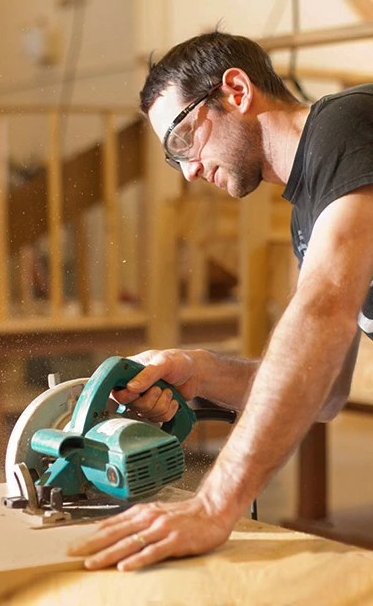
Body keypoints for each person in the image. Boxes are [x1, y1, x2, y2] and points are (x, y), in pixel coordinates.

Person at [68, 30, 373, 570]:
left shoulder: (346, 127)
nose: (187, 169)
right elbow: (324, 392)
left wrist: (214, 504)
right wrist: (202, 370)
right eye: (172, 158)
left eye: (182, 140)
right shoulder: (313, 210)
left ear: (235, 91)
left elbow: (322, 310)